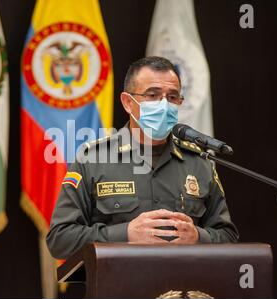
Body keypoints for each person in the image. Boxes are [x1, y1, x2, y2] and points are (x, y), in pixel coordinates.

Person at [46, 56, 238, 260]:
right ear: (128, 102)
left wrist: (198, 236)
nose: (164, 105)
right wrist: (125, 234)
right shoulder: (93, 161)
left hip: (185, 286)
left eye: (172, 97)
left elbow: (228, 236)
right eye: (153, 95)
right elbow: (60, 240)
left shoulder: (199, 162)